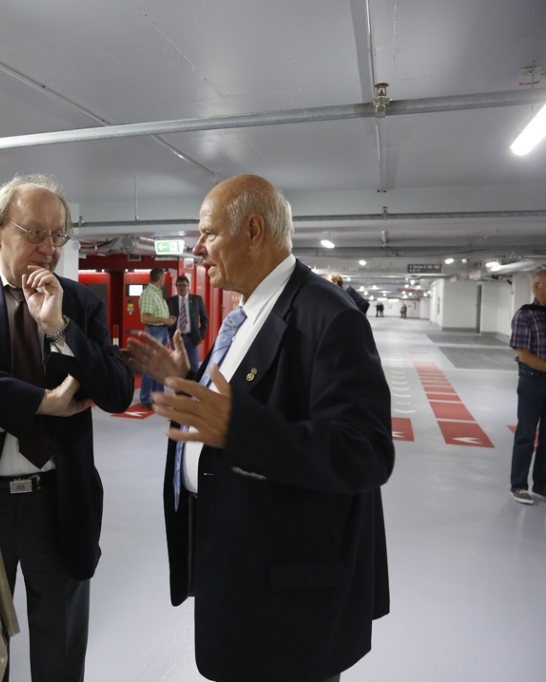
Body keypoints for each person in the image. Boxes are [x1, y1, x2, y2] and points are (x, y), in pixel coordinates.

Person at [125, 175, 392, 682]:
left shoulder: (329, 318)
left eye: (208, 233)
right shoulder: (247, 314)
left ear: (252, 230)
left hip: (289, 596)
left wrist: (238, 426)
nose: (198, 247)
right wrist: (183, 382)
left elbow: (365, 453)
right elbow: (241, 404)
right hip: (243, 565)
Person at [0, 173, 133, 682]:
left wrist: (58, 328)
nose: (49, 248)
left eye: (57, 236)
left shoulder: (80, 304)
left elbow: (120, 392)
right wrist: (40, 404)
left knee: (60, 649)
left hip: (56, 502)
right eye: (35, 232)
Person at [507, 268, 546, 505]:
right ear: (537, 287)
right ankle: (519, 485)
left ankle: (542, 485)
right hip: (532, 381)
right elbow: (524, 355)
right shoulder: (525, 315)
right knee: (526, 434)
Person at [138, 268, 176, 409]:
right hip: (154, 331)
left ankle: (158, 396)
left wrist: (167, 320)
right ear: (160, 279)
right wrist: (163, 320)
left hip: (162, 330)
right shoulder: (148, 294)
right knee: (151, 365)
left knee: (159, 365)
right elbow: (145, 317)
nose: (164, 281)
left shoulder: (157, 294)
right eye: (164, 279)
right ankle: (146, 398)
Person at [167, 274, 209, 372]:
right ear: (176, 287)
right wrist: (170, 335)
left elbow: (205, 319)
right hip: (176, 338)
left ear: (188, 286)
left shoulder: (197, 299)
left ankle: (192, 387)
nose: (182, 288)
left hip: (192, 338)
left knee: (194, 367)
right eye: (179, 285)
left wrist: (201, 335)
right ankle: (178, 388)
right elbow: (166, 319)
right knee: (177, 366)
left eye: (184, 285)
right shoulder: (170, 301)